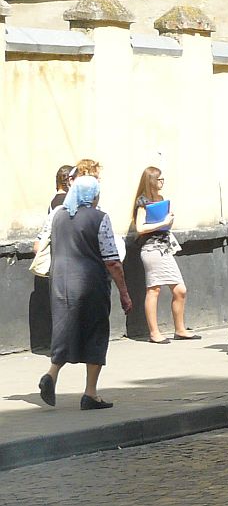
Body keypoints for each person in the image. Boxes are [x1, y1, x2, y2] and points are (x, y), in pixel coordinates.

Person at [34, 174, 133, 409]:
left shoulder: (57, 215)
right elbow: (112, 261)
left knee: (64, 331)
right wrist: (125, 293)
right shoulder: (100, 218)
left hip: (59, 283)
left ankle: (51, 374)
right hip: (91, 284)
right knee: (96, 334)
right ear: (94, 195)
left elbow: (39, 244)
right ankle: (90, 394)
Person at [131, 166, 197, 344]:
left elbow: (164, 224)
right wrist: (162, 222)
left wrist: (169, 220)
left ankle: (180, 329)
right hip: (151, 250)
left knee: (180, 290)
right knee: (154, 289)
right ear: (151, 181)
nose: (162, 182)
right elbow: (140, 227)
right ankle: (154, 332)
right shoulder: (143, 202)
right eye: (159, 179)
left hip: (165, 247)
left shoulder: (161, 200)